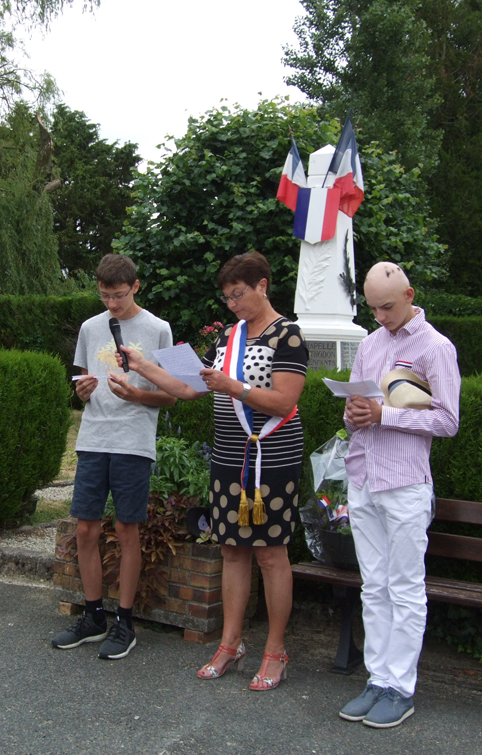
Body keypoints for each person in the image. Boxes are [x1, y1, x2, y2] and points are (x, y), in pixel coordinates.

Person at [119, 251, 307, 690]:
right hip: (228, 455)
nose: (233, 304)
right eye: (226, 298)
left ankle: (276, 651)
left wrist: (234, 387)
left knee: (270, 553)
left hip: (273, 455)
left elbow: (283, 401)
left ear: (262, 285)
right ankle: (229, 644)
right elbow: (189, 387)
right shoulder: (229, 335)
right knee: (231, 549)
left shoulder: (288, 335)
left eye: (238, 294)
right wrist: (143, 366)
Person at [337, 262, 461, 729]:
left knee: (405, 587)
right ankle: (377, 678)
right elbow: (356, 413)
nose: (381, 316)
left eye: (387, 307)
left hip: (407, 483)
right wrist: (355, 412)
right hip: (365, 476)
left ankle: (400, 687)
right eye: (372, 308)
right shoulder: (370, 343)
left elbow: (448, 420)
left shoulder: (435, 347)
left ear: (409, 294)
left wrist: (384, 414)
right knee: (374, 585)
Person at [51, 254, 176, 659]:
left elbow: (175, 395)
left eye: (119, 296)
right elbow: (81, 385)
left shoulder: (159, 329)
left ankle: (125, 622)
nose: (112, 304)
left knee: (126, 531)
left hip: (132, 441)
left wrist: (139, 395)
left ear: (135, 286)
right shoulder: (90, 327)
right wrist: (82, 392)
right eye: (105, 296)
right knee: (84, 530)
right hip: (92, 438)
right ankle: (93, 616)